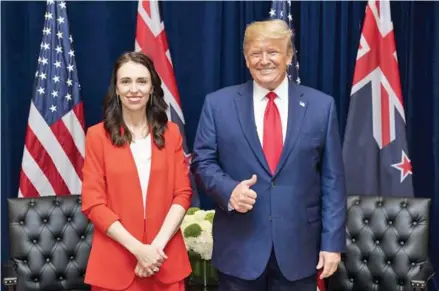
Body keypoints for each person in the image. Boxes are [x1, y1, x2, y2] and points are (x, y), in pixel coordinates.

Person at [191, 19, 347, 291]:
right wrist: (229, 191)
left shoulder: (322, 106)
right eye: (255, 53)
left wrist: (332, 244)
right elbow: (202, 162)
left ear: (288, 56)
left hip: (300, 251)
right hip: (239, 251)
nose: (264, 60)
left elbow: (332, 181)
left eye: (273, 52)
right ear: (246, 58)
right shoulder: (218, 104)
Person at [81, 52, 192, 291]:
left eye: (142, 81)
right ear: (117, 88)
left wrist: (154, 250)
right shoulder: (97, 136)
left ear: (152, 87)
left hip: (164, 260)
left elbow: (182, 194)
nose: (134, 89)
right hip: (115, 263)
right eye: (126, 81)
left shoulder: (171, 133)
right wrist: (139, 250)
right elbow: (93, 203)